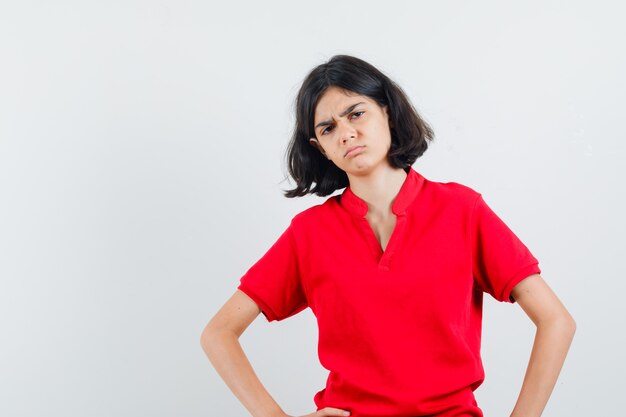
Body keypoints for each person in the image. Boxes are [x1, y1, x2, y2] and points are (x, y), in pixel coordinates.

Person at [200, 55, 576, 417]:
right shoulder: (309, 234)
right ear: (321, 149)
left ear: (389, 114)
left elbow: (555, 320)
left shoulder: (462, 210)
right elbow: (219, 333)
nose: (346, 133)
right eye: (327, 128)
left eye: (356, 113)